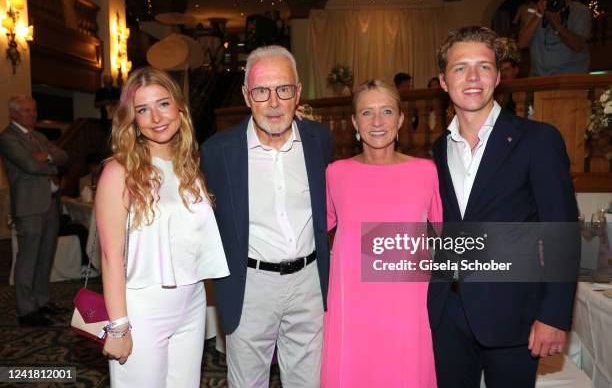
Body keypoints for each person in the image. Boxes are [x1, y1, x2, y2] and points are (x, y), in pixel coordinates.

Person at [429, 26, 579, 387]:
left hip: (515, 316)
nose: (472, 77)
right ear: (444, 81)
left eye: (483, 66)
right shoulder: (437, 149)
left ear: (497, 75)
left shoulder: (537, 140)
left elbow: (562, 232)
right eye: (460, 67)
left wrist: (554, 315)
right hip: (447, 314)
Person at [200, 45, 333, 387]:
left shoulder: (319, 140)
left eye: (283, 89)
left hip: (309, 283)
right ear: (246, 96)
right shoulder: (217, 152)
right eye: (261, 91)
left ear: (297, 93)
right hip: (250, 285)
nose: (273, 102)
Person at [96, 67, 229, 387]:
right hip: (143, 308)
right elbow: (111, 257)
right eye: (143, 109)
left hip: (192, 300)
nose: (156, 117)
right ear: (133, 119)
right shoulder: (119, 171)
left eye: (163, 104)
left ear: (179, 108)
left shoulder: (189, 167)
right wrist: (119, 326)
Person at [322, 79, 441, 387]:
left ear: (400, 119)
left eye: (387, 111)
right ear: (354, 122)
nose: (377, 122)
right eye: (366, 113)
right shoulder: (336, 173)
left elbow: (446, 237)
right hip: (353, 311)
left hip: (406, 310)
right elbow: (311, 231)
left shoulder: (426, 172)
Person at [0, 95, 69, 327]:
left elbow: (64, 156)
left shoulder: (39, 136)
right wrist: (48, 162)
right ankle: (26, 309)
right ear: (14, 113)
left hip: (50, 202)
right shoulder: (8, 138)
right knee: (28, 258)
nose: (33, 114)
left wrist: (47, 156)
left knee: (45, 256)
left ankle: (41, 300)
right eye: (28, 111)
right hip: (29, 206)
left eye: (34, 110)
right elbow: (28, 165)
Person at [518, 0, 591, 76]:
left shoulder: (580, 11)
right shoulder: (535, 11)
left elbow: (578, 46)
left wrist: (556, 25)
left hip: (571, 80)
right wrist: (538, 15)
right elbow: (522, 43)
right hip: (540, 80)